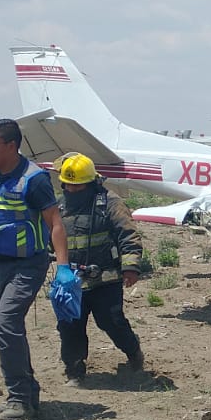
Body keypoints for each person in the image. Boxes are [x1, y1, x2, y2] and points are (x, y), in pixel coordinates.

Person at [0, 119, 70, 420]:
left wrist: (63, 267)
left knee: (7, 322)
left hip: (28, 264)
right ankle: (27, 395)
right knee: (6, 330)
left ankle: (17, 398)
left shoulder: (34, 180)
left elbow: (54, 223)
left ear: (11, 146)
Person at [53, 153, 146, 384]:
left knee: (111, 321)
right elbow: (49, 237)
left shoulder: (110, 203)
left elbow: (128, 234)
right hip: (71, 281)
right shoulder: (58, 207)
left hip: (106, 278)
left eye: (79, 186)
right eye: (69, 186)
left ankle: (133, 351)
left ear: (91, 182)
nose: (73, 191)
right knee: (70, 326)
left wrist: (131, 266)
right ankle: (74, 370)